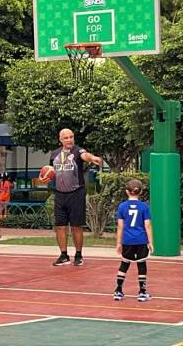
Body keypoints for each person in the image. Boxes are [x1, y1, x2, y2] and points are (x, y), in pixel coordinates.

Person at [50, 128, 102, 267]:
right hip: (60, 194)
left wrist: (93, 158)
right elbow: (51, 172)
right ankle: (63, 255)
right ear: (60, 140)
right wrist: (46, 176)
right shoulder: (54, 154)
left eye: (71, 137)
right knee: (60, 226)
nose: (69, 140)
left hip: (76, 193)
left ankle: (78, 255)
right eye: (66, 138)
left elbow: (86, 156)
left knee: (76, 226)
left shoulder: (78, 151)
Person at [113, 179, 153, 302]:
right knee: (141, 264)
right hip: (140, 240)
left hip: (127, 240)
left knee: (124, 264)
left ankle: (118, 290)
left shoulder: (122, 206)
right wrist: (150, 242)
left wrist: (119, 243)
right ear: (140, 192)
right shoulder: (144, 206)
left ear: (127, 192)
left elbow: (120, 226)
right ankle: (142, 291)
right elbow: (147, 225)